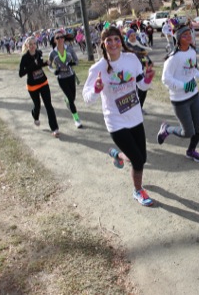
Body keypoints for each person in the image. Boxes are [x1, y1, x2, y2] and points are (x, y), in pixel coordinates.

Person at [82, 26, 155, 206]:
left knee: (142, 158)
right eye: (109, 40)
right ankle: (138, 191)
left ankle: (118, 155)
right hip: (115, 121)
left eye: (116, 39)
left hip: (135, 116)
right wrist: (97, 89)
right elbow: (87, 98)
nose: (113, 43)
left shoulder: (131, 59)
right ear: (103, 44)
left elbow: (141, 86)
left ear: (121, 41)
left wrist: (147, 79)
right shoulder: (98, 68)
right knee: (138, 160)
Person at [157, 25, 199, 163]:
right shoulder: (173, 58)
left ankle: (191, 151)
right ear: (178, 39)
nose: (189, 37)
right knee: (188, 132)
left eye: (190, 34)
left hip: (194, 96)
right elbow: (165, 79)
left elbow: (192, 70)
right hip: (179, 100)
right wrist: (184, 86)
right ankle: (167, 129)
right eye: (185, 35)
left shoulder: (192, 52)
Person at [19, 37, 60, 137]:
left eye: (34, 44)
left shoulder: (39, 53)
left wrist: (46, 63)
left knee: (48, 105)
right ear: (27, 46)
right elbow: (21, 73)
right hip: (32, 86)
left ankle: (54, 128)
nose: (33, 46)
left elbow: (40, 65)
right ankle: (35, 116)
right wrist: (33, 65)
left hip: (43, 82)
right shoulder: (25, 58)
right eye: (31, 44)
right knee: (37, 105)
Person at [48, 29, 82, 128]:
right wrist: (54, 71)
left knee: (73, 97)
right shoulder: (52, 53)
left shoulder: (69, 49)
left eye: (61, 37)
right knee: (71, 99)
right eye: (57, 38)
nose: (60, 39)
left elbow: (77, 61)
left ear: (64, 38)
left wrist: (72, 63)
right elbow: (49, 66)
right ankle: (76, 119)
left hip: (71, 76)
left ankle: (67, 101)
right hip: (61, 79)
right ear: (54, 40)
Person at [125, 28, 153, 109]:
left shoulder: (138, 44)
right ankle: (133, 108)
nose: (133, 37)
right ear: (128, 37)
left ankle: (140, 107)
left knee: (143, 89)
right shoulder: (126, 46)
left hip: (140, 70)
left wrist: (148, 61)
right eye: (131, 36)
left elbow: (144, 55)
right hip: (130, 72)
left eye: (134, 35)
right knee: (133, 91)